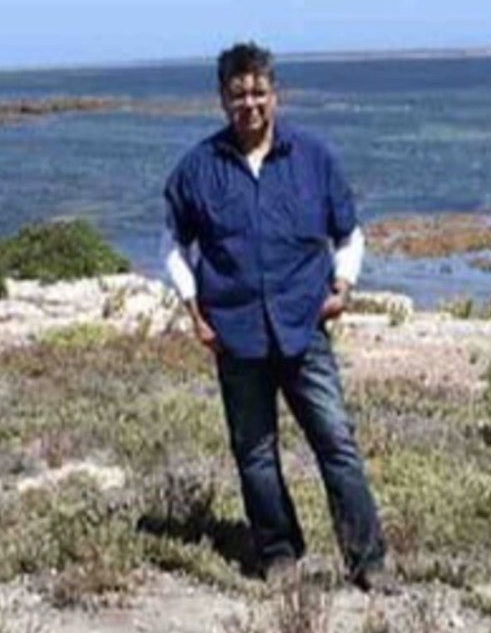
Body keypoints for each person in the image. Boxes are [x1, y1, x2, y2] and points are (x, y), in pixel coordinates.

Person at [162, 41, 388, 589]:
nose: (250, 104)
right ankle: (279, 554)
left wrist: (344, 285)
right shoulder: (198, 169)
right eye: (238, 94)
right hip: (236, 333)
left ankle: (369, 562)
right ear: (222, 100)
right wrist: (194, 310)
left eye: (259, 92)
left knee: (336, 443)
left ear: (274, 93)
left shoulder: (314, 158)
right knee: (255, 453)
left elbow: (349, 233)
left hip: (302, 326)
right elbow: (171, 243)